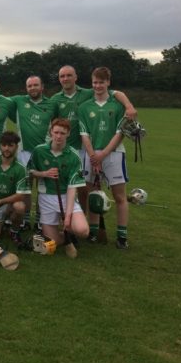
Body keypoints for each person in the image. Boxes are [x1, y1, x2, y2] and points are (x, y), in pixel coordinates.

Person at [51, 65, 136, 211]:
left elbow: (116, 93)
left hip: (85, 148)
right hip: (66, 150)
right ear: (59, 79)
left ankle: (85, 221)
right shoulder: (55, 99)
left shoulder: (88, 92)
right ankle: (66, 220)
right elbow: (53, 125)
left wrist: (129, 106)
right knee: (64, 188)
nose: (65, 78)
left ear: (76, 77)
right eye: (62, 76)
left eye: (69, 75)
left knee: (85, 190)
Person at [79, 67, 130, 249]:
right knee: (93, 194)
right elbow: (84, 134)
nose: (98, 85)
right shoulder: (84, 107)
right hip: (91, 154)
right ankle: (93, 233)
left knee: (119, 196)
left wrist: (103, 154)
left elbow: (120, 132)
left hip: (114, 154)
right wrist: (94, 156)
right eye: (94, 82)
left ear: (108, 82)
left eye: (101, 82)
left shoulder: (117, 105)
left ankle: (122, 236)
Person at [28, 118, 89, 246]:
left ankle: (71, 231)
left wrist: (67, 217)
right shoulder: (39, 151)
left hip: (66, 197)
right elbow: (31, 171)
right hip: (46, 198)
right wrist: (44, 174)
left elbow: (72, 188)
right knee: (53, 242)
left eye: (62, 133)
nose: (58, 136)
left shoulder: (73, 156)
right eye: (56, 132)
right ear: (51, 132)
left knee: (83, 231)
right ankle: (65, 237)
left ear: (68, 134)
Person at [10, 75, 55, 229]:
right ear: (26, 88)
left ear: (42, 86)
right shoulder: (19, 100)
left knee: (43, 188)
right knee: (26, 188)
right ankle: (26, 219)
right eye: (29, 86)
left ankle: (40, 220)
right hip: (24, 152)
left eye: (36, 85)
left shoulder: (52, 104)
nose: (33, 88)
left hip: (45, 153)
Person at [0, 131, 30, 245]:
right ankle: (0, 225)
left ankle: (14, 230)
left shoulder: (21, 168)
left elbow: (20, 195)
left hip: (9, 205)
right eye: (4, 145)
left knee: (20, 206)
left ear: (16, 147)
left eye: (10, 145)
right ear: (0, 145)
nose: (7, 148)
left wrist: (0, 201)